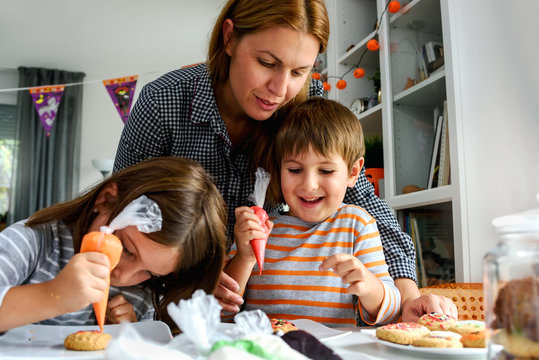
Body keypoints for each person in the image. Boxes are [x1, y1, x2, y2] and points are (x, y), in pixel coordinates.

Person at [112, 0, 456, 321]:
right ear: (229, 38)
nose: (279, 89)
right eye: (267, 63)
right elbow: (120, 217)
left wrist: (408, 298)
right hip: (171, 301)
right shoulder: (163, 102)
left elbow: (365, 203)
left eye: (299, 71)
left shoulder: (306, 105)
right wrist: (182, 281)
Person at [226, 98, 400, 327]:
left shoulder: (358, 224)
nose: (309, 185)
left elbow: (391, 313)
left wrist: (369, 286)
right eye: (295, 169)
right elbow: (222, 313)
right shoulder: (258, 227)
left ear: (352, 172)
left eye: (326, 170)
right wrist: (245, 257)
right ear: (279, 170)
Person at [0, 157, 227, 333]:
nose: (123, 275)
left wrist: (131, 333)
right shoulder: (34, 241)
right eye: (127, 249)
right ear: (106, 200)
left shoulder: (141, 295)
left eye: (148, 272)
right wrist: (52, 295)